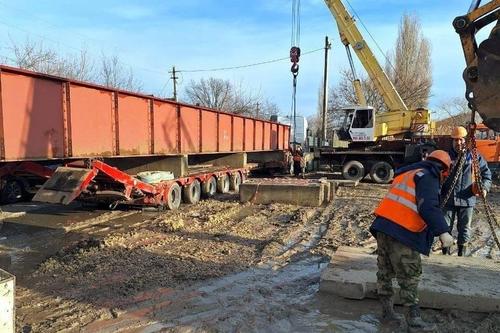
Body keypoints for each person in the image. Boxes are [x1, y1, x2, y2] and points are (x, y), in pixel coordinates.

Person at [370, 150, 454, 331]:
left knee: (385, 272)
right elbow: (428, 206)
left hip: (383, 227)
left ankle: (387, 313)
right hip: (403, 233)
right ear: (443, 169)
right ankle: (414, 322)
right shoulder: (429, 176)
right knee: (409, 276)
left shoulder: (408, 173)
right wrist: (443, 232)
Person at [441, 126, 492, 256]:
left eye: (461, 140)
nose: (458, 143)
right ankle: (445, 255)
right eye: (455, 140)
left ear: (466, 140)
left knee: (464, 229)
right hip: (448, 198)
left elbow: (486, 175)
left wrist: (484, 188)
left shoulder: (474, 158)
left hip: (467, 199)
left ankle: (461, 255)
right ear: (452, 141)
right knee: (445, 228)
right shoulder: (445, 157)